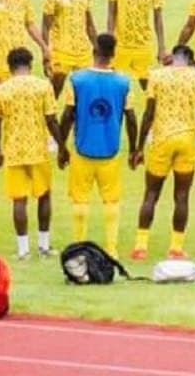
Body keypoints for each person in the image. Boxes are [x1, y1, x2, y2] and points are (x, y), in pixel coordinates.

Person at [58, 33, 137, 258]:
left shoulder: (76, 79)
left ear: (94, 51)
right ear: (114, 54)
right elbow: (131, 118)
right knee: (111, 201)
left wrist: (62, 146)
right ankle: (111, 250)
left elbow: (67, 115)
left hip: (82, 149)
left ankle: (79, 249)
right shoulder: (123, 82)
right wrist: (134, 149)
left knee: (80, 200)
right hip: (110, 150)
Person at [131, 45, 195, 261]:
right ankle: (176, 248)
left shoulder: (157, 76)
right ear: (190, 61)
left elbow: (148, 113)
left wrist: (138, 147)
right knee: (182, 196)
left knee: (151, 194)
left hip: (161, 139)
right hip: (187, 140)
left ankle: (140, 247)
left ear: (173, 58)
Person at [0, 47, 64, 260]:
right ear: (30, 65)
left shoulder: (1, 90)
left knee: (19, 200)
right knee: (44, 195)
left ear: (9, 66)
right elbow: (51, 119)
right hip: (38, 150)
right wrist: (62, 146)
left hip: (14, 151)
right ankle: (44, 246)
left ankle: (23, 249)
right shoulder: (43, 86)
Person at [107, 0, 167, 89]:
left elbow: (158, 17)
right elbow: (111, 13)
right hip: (121, 44)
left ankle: (153, 104)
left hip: (143, 44)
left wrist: (161, 47)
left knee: (148, 85)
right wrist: (110, 40)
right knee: (115, 83)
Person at [43, 0, 97, 97]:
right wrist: (45, 53)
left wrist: (97, 47)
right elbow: (46, 27)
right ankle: (48, 112)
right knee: (55, 89)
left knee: (85, 91)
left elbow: (90, 25)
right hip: (61, 51)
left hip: (83, 51)